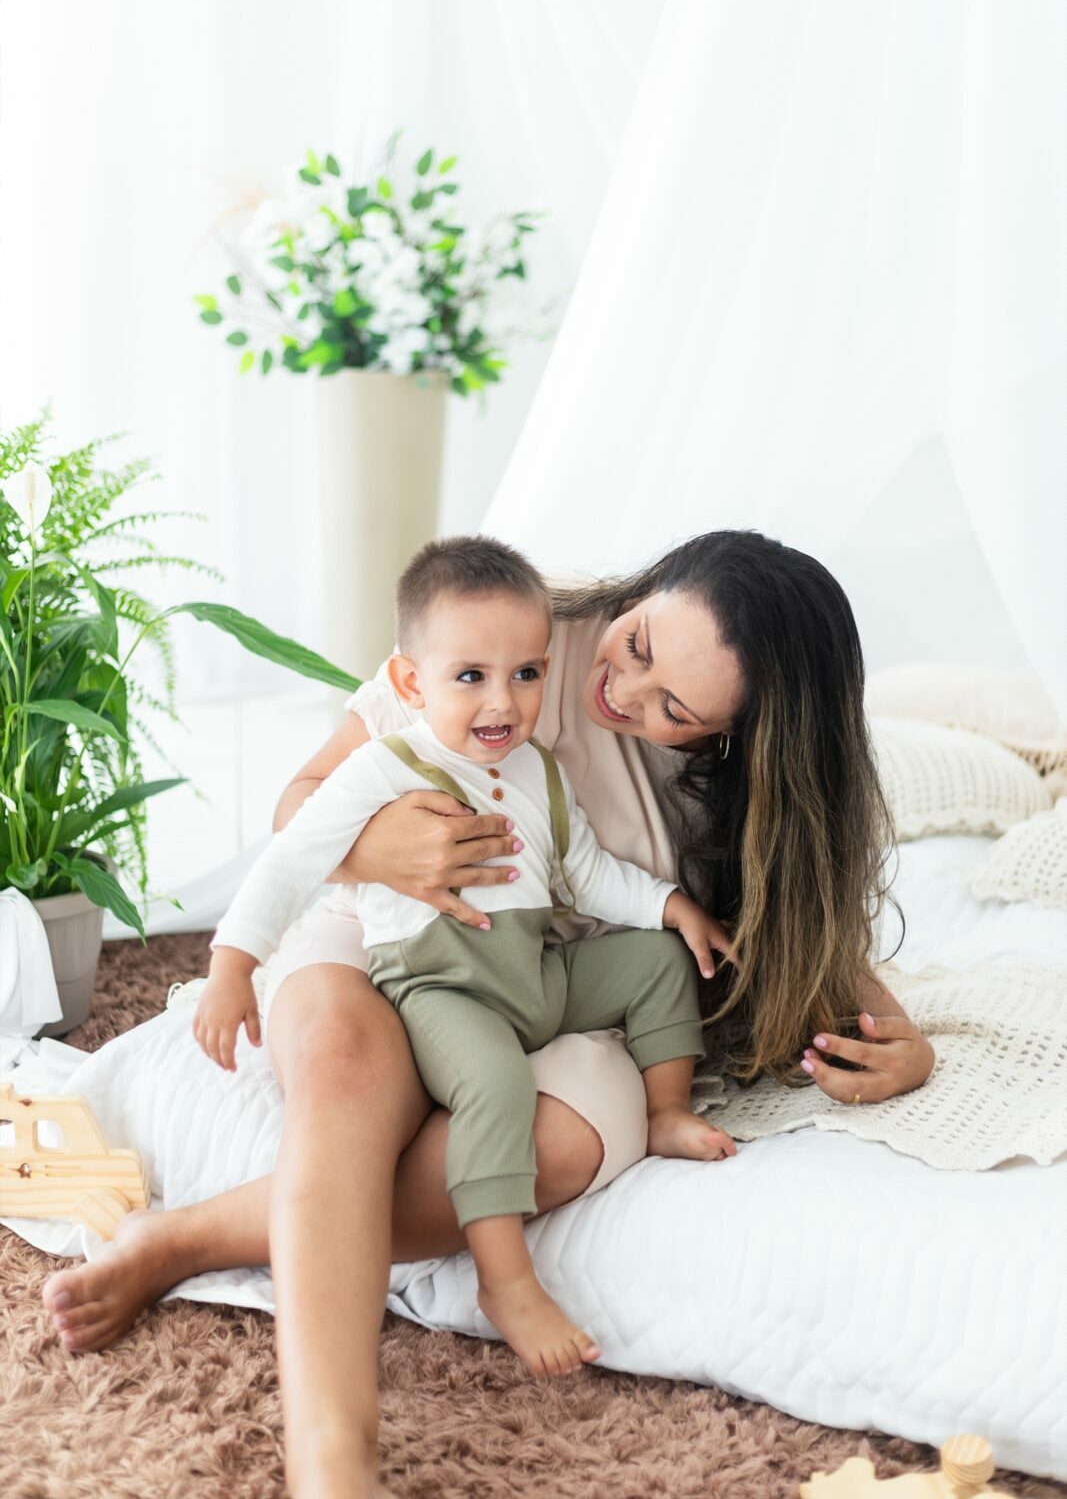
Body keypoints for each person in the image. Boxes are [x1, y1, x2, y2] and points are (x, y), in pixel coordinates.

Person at [41, 530, 937, 1499]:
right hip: (386, 933)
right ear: (644, 589)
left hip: (551, 982)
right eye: (636, 642)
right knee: (345, 1064)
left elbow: (801, 932)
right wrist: (380, 851)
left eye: (672, 709)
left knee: (559, 1144)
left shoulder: (728, 797)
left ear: (733, 735)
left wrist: (907, 1045)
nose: (622, 689)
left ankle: (187, 1237)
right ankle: (332, 1464)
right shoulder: (511, 633)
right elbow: (301, 809)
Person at [200, 536, 737, 1378]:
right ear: (411, 684)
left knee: (658, 962)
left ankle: (665, 1108)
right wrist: (232, 965)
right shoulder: (387, 765)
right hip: (442, 985)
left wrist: (671, 907)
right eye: (470, 677)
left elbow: (587, 872)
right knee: (497, 1083)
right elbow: (292, 858)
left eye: (524, 674)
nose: (501, 701)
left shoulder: (536, 772)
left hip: (534, 973)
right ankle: (504, 1278)